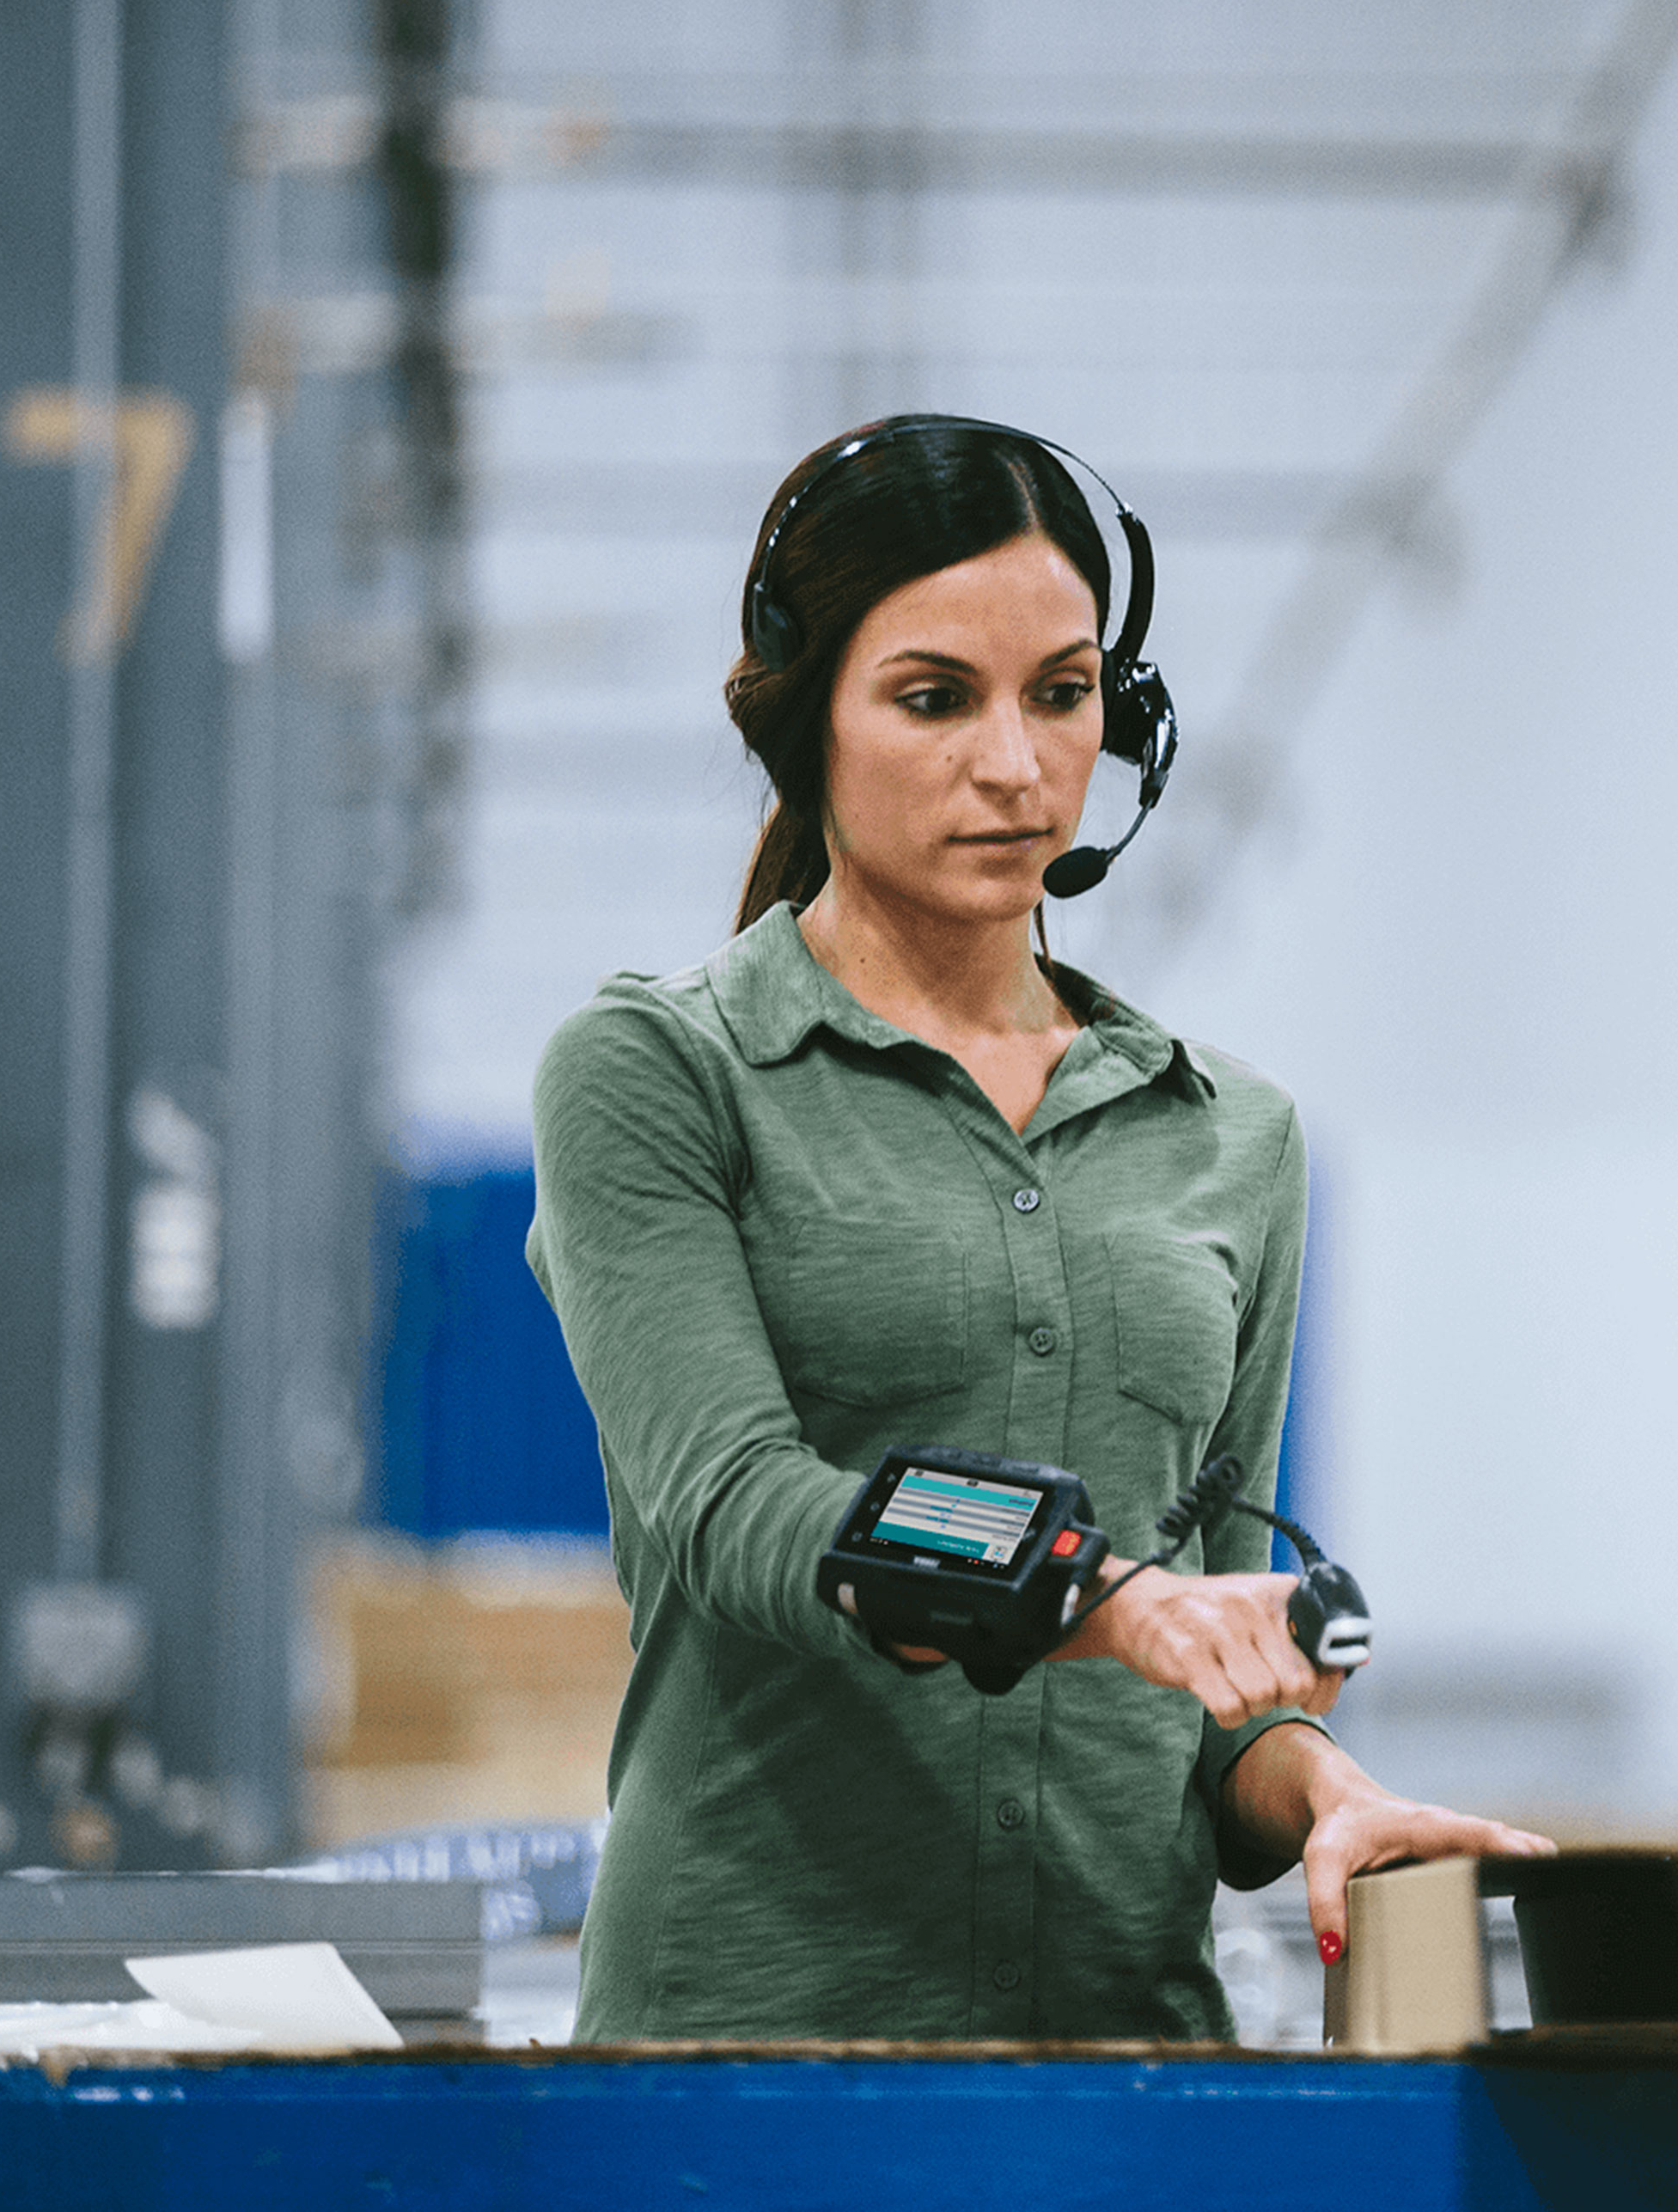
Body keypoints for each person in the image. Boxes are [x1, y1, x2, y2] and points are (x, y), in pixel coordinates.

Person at [528, 415, 1549, 2043]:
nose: (1015, 765)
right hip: (744, 2063)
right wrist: (1109, 1598)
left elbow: (1219, 1672)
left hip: (1124, 2061)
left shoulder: (1232, 1139)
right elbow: (740, 1513)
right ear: (809, 721)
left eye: (1062, 695)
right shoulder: (663, 1074)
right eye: (935, 698)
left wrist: (1325, 1789)